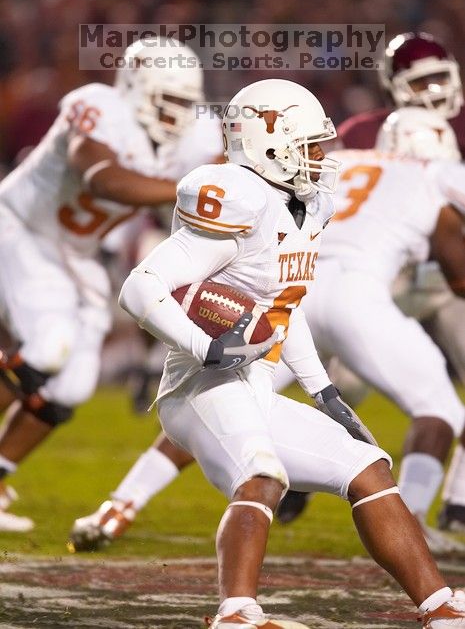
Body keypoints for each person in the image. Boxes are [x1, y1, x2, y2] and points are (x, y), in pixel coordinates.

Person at [119, 78, 465, 628]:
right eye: (309, 145)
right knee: (262, 473)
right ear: (267, 142)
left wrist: (324, 392)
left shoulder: (304, 206)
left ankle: (439, 606)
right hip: (200, 387)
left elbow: (287, 307)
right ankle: (236, 613)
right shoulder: (237, 196)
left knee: (367, 467)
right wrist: (207, 346)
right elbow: (141, 286)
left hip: (252, 384)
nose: (321, 158)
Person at [0, 37, 216, 532]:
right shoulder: (100, 106)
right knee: (49, 346)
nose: (179, 112)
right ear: (137, 87)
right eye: (170, 99)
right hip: (20, 228)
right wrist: (192, 191)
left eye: (187, 101)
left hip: (75, 253)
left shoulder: (197, 136)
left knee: (72, 385)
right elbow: (102, 178)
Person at [274, 106, 465, 555]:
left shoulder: (353, 158)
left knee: (260, 394)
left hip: (311, 285)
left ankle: (124, 503)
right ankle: (416, 515)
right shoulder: (433, 174)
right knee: (430, 403)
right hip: (372, 291)